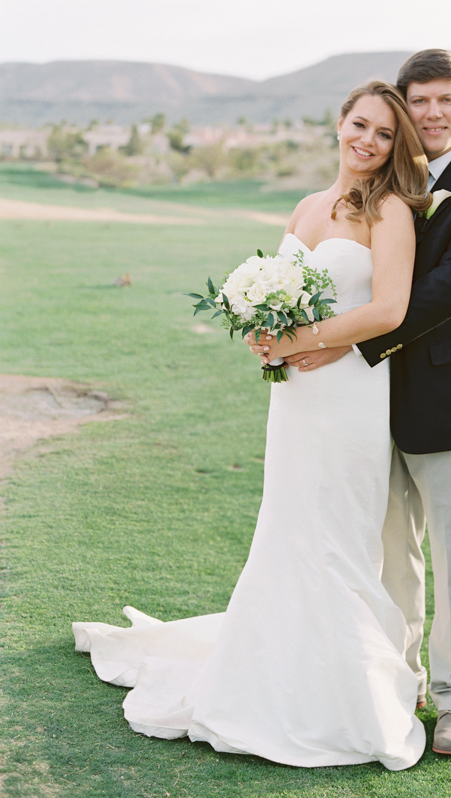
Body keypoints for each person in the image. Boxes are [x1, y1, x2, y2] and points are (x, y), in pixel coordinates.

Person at [73, 80, 432, 771]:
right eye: (360, 124)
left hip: (350, 393)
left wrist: (305, 338)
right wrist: (263, 331)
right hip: (295, 396)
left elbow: (389, 309)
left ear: (397, 146)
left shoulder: (389, 211)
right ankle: (270, 669)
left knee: (338, 534)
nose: (368, 141)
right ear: (339, 122)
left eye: (385, 134)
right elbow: (277, 289)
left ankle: (341, 696)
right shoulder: (305, 206)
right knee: (289, 524)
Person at [271, 50, 451, 757]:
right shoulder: (386, 180)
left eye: (448, 100)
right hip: (364, 407)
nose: (434, 113)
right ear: (404, 110)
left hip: (449, 399)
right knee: (389, 555)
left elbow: (445, 292)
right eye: (422, 102)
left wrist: (337, 342)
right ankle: (398, 679)